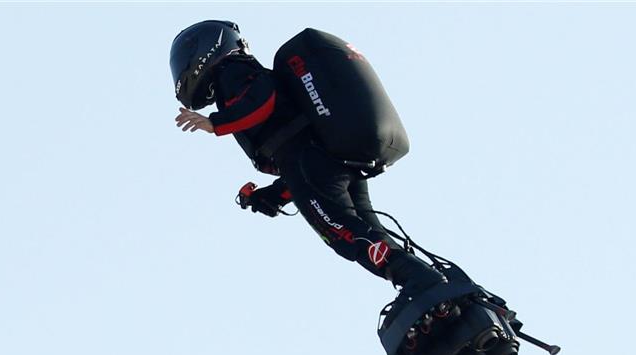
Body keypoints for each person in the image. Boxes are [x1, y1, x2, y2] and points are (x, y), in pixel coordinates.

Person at [170, 20, 446, 303]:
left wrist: (216, 123)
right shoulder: (236, 72)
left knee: (343, 234)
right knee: (366, 230)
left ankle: (422, 283)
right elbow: (294, 153)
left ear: (207, 49)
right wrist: (273, 196)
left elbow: (263, 101)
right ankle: (440, 287)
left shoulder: (232, 71)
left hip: (307, 160)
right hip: (322, 159)